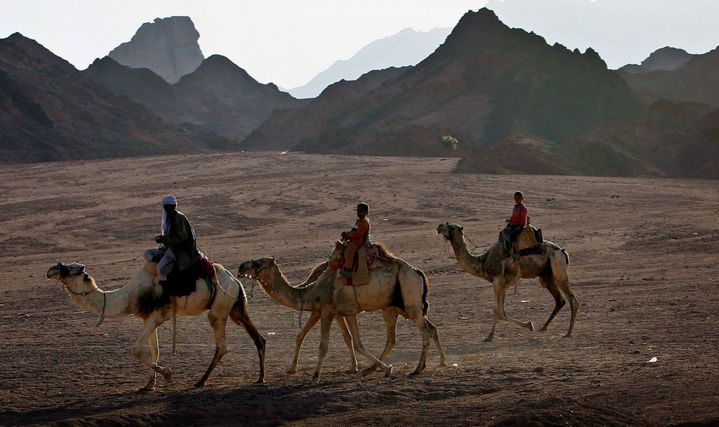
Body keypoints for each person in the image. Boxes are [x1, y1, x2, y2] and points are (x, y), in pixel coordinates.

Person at [145, 195, 201, 284]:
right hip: (170, 247)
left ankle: (164, 290)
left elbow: (182, 237)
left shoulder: (179, 218)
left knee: (160, 267)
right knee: (147, 253)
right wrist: (163, 239)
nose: (168, 209)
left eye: (169, 207)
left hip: (179, 249)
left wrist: (165, 239)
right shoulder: (169, 218)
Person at [340, 202, 371, 278]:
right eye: (358, 211)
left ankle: (349, 270)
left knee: (350, 251)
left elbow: (358, 234)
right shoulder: (358, 221)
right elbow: (354, 230)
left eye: (361, 211)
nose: (359, 213)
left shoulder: (364, 222)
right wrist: (346, 234)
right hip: (354, 239)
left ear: (366, 212)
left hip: (359, 241)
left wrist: (348, 235)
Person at [502, 191, 528, 258]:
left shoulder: (523, 208)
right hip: (513, 225)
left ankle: (516, 252)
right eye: (515, 198)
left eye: (518, 198)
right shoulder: (515, 207)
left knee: (512, 237)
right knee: (503, 233)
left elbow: (522, 219)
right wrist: (510, 220)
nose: (516, 200)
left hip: (519, 226)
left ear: (522, 198)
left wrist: (519, 226)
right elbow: (513, 216)